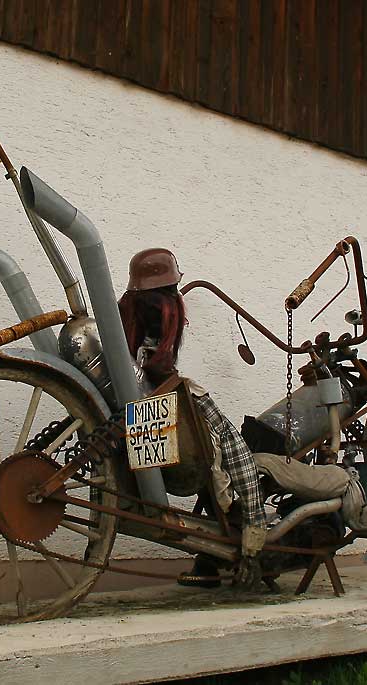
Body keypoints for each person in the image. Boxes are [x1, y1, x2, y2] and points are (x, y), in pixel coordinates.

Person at [118, 248, 267, 588]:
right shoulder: (166, 308)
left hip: (141, 399)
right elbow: (160, 365)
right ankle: (254, 540)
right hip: (163, 399)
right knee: (234, 448)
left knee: (217, 461)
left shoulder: (124, 310)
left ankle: (209, 559)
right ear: (171, 285)